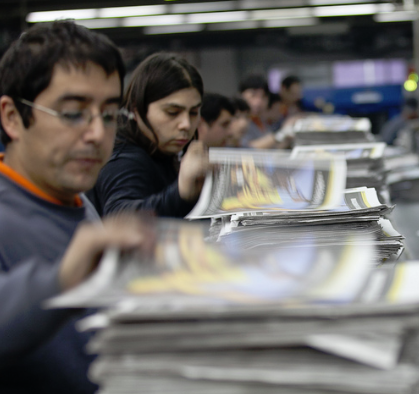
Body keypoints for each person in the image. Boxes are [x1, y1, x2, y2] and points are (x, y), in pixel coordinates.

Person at [0, 20, 155, 394]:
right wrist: (60, 278)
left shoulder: (78, 202)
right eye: (72, 113)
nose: (97, 134)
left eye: (107, 115)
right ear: (13, 118)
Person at [88, 52, 209, 218]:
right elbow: (120, 218)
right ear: (137, 110)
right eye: (172, 112)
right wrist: (180, 193)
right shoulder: (125, 159)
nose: (186, 124)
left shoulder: (162, 153)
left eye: (193, 112)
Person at [239, 74, 291, 149]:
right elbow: (248, 148)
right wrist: (280, 134)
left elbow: (273, 147)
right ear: (241, 95)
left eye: (263, 97)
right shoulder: (238, 121)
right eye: (253, 95)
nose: (259, 101)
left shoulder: (261, 120)